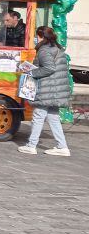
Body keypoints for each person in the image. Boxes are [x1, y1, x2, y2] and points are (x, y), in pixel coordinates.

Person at [18, 26, 73, 157]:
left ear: (42, 37)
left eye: (37, 36)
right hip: (55, 89)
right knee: (53, 117)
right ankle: (62, 146)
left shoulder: (44, 50)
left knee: (38, 115)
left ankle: (31, 145)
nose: (36, 39)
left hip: (48, 89)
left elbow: (49, 68)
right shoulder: (57, 48)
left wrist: (31, 72)